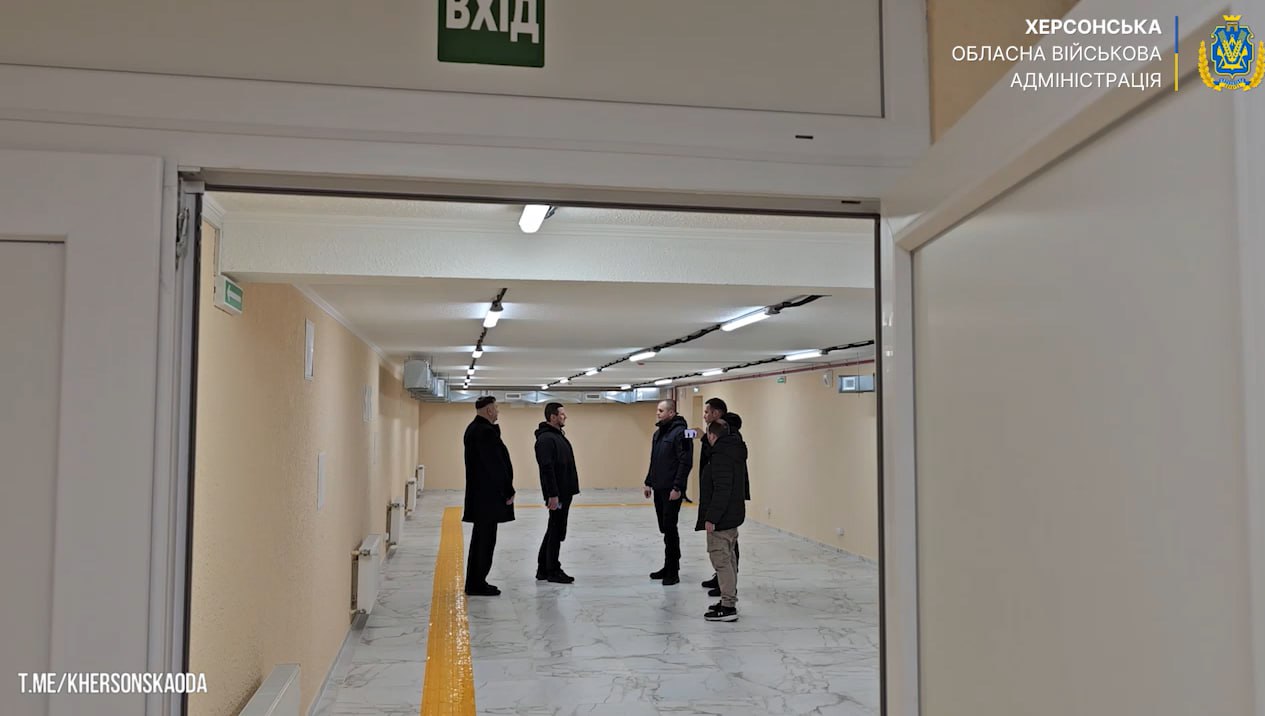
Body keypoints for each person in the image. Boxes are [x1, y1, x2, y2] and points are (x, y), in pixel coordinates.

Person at [463, 396, 515, 596]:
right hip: (488, 498)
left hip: (482, 497)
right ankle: (477, 583)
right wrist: (508, 490)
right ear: (489, 410)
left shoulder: (475, 429)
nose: (498, 411)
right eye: (496, 408)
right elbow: (495, 466)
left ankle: (476, 581)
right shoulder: (484, 432)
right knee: (484, 542)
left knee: (481, 540)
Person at [697, 419, 747, 621]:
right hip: (733, 515)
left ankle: (727, 607)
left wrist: (711, 518)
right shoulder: (734, 451)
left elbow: (722, 490)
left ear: (712, 436)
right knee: (729, 559)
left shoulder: (720, 457)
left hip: (722, 518)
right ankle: (729, 599)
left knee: (721, 561)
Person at [643, 399, 693, 585]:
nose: (658, 413)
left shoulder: (683, 433)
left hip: (672, 489)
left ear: (672, 413)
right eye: (658, 410)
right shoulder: (658, 433)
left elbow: (686, 461)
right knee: (665, 528)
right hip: (659, 487)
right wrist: (648, 482)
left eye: (661, 410)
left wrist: (678, 487)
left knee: (670, 528)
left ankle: (673, 570)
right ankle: (667, 565)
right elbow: (654, 460)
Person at [534, 402, 580, 584]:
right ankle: (553, 570)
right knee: (555, 531)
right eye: (562, 414)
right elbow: (547, 469)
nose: (565, 416)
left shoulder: (556, 436)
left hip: (563, 492)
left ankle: (543, 569)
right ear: (552, 417)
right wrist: (552, 495)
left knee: (554, 529)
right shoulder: (546, 439)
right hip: (558, 494)